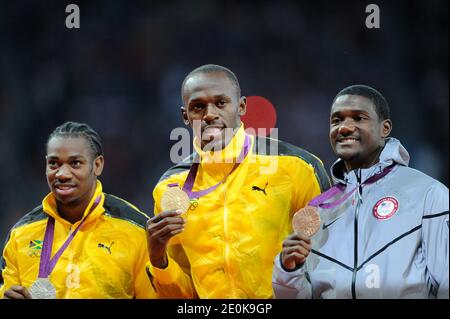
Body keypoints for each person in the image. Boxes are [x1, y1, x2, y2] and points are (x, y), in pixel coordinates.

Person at [146, 64, 331, 298]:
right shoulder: (170, 188)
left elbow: (333, 256)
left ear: (241, 106)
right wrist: (158, 260)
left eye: (221, 103)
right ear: (185, 116)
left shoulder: (296, 166)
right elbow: (183, 295)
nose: (210, 113)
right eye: (198, 107)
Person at [272, 84, 449, 299]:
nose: (344, 127)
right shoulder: (319, 211)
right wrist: (288, 270)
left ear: (385, 128)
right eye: (336, 120)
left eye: (358, 118)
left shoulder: (428, 195)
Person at [0, 122, 157, 299]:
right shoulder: (20, 235)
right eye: (54, 164)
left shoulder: (135, 230)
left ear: (97, 165)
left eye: (75, 163)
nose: (62, 174)